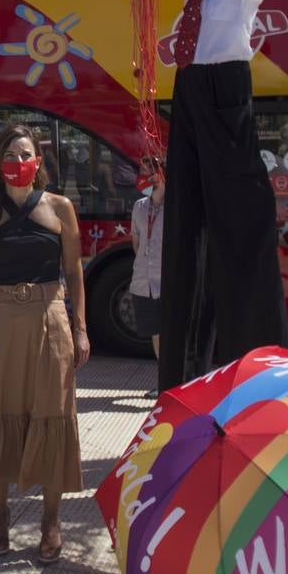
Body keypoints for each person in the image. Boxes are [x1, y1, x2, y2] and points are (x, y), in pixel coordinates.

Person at [150, 0, 288, 390]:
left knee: (235, 201)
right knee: (189, 198)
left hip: (229, 84)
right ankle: (188, 358)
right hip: (190, 83)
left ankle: (249, 338)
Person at [0, 123, 88, 563]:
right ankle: (0, 515)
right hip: (1, 318)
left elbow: (75, 273)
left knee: (52, 414)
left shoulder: (61, 208)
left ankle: (51, 520)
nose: (18, 164)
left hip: (50, 316)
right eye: (9, 157)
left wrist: (81, 328)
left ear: (38, 161)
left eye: (25, 155)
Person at [129, 158, 165, 399]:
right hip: (143, 281)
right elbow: (136, 242)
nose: (143, 176)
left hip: (167, 281)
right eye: (141, 171)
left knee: (170, 332)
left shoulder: (178, 206)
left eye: (148, 171)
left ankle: (176, 380)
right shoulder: (139, 206)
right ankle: (163, 381)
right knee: (155, 332)